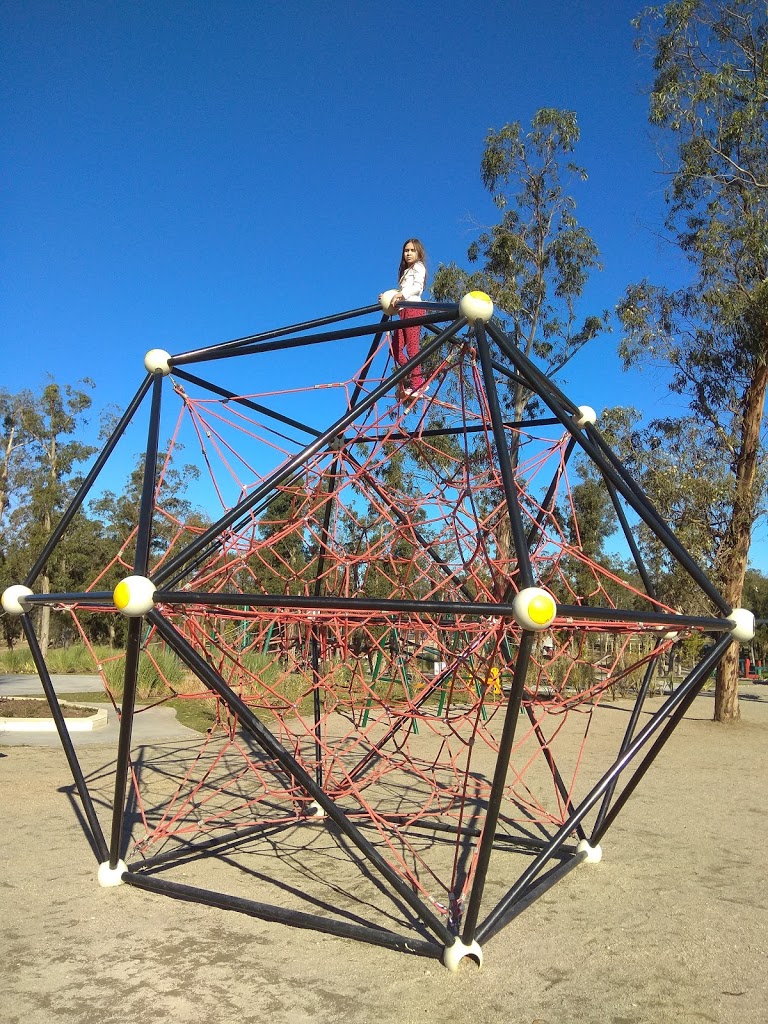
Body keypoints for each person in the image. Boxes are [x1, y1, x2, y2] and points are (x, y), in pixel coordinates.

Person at [381, 238, 427, 398]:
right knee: (395, 348)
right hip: (403, 310)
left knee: (412, 347)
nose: (408, 253)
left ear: (418, 252)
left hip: (414, 308)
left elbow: (417, 287)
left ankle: (418, 385)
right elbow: (402, 290)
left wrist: (401, 294)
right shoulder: (405, 272)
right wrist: (388, 296)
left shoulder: (419, 267)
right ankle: (413, 376)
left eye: (412, 250)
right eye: (406, 251)